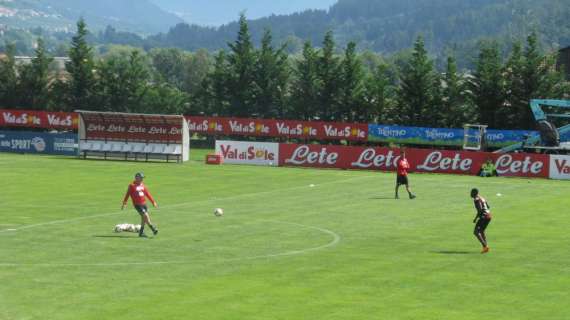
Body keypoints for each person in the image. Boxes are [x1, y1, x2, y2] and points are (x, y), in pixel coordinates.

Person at [122, 172, 159, 237]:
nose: (142, 179)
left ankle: (141, 233)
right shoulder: (131, 185)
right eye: (141, 178)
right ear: (136, 178)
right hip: (137, 205)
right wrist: (124, 203)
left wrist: (153, 202)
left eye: (142, 178)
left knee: (143, 218)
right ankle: (153, 228)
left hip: (144, 204)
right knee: (146, 216)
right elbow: (127, 194)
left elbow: (148, 194)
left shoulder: (142, 185)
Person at [470, 188, 492, 253]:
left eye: (471, 192)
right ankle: (485, 247)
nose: (470, 194)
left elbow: (480, 210)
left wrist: (476, 218)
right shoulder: (482, 198)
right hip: (489, 215)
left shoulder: (476, 199)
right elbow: (488, 206)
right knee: (481, 231)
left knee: (476, 232)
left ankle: (485, 246)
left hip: (484, 216)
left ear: (474, 193)